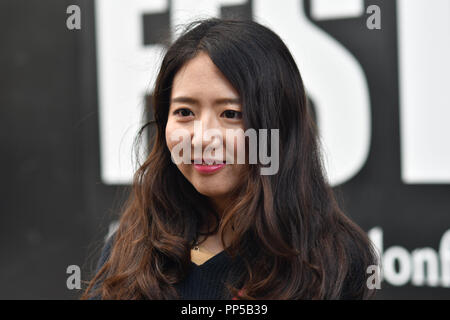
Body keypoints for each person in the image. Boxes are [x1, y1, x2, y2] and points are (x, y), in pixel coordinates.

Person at [81, 18, 377, 300]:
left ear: (278, 125)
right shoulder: (132, 247)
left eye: (231, 114)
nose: (202, 138)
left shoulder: (332, 256)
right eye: (185, 112)